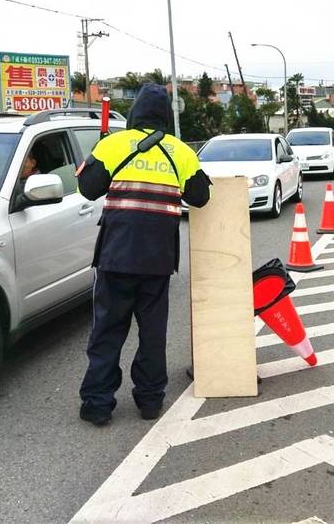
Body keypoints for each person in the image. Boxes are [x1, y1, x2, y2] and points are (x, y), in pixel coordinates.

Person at [76, 83, 212, 426]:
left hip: (115, 258)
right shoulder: (180, 152)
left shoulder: (113, 145)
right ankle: (150, 401)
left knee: (107, 331)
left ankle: (97, 404)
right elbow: (200, 197)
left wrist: (94, 157)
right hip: (157, 260)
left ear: (134, 112)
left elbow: (88, 189)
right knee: (152, 334)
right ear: (167, 114)